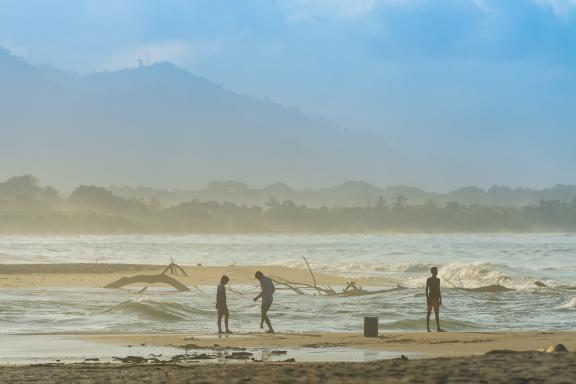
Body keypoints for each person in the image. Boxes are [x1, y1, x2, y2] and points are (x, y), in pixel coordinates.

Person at [426, 267, 445, 332]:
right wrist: (427, 299)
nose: (436, 272)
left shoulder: (438, 280)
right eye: (435, 271)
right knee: (429, 313)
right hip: (430, 298)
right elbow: (426, 289)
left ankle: (438, 328)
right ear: (432, 272)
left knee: (437, 314)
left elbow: (438, 289)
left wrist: (440, 299)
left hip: (436, 298)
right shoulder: (429, 279)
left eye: (436, 271)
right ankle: (428, 328)